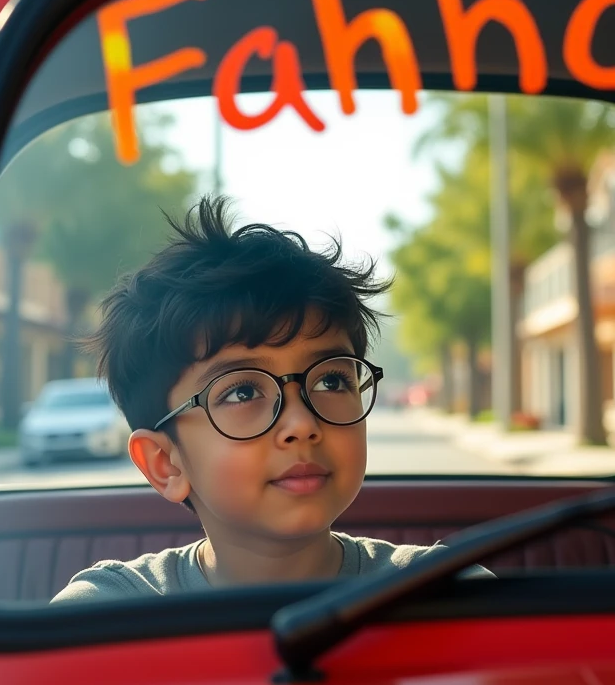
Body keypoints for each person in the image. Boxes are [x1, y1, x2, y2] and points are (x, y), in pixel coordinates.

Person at [52, 195, 491, 603]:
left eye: (332, 382)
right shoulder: (105, 612)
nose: (301, 424)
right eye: (242, 391)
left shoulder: (448, 595)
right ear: (165, 463)